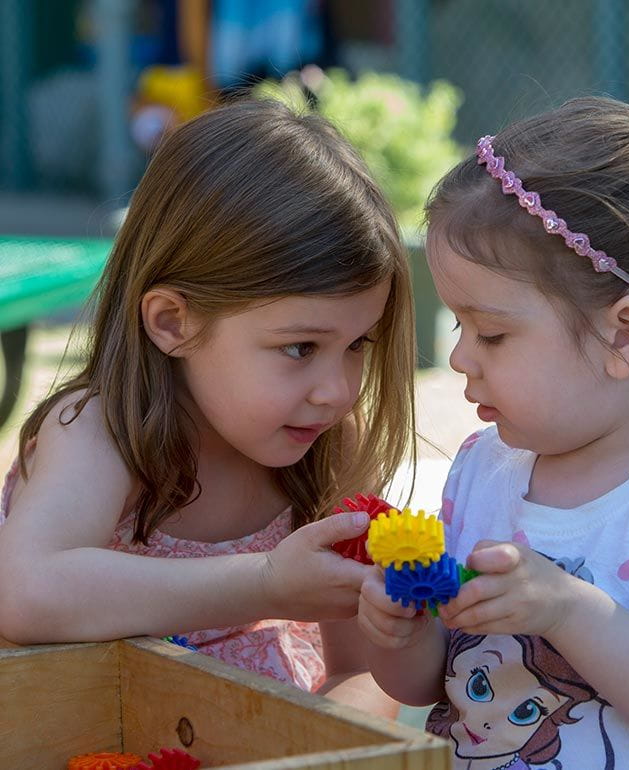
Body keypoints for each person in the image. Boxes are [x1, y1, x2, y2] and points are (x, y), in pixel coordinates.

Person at [358, 96, 629, 765]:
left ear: (625, 333)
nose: (460, 358)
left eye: (491, 332)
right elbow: (436, 684)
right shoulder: (480, 471)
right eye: (460, 328)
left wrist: (567, 613)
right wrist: (401, 635)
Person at [0, 99, 416, 715]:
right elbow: (28, 594)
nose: (338, 390)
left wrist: (320, 738)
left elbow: (363, 672)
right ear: (173, 322)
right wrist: (265, 583)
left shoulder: (330, 445)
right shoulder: (101, 433)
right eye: (300, 347)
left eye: (358, 345)